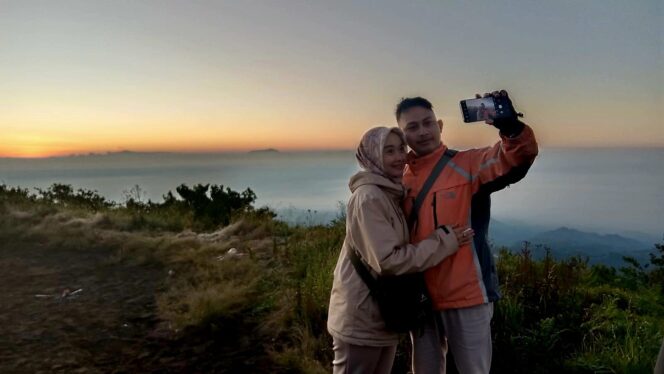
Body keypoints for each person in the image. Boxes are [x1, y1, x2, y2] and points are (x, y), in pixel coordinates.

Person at [396, 90, 539, 373]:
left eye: (428, 123)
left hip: (467, 297)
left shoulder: (467, 165)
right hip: (420, 298)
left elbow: (517, 156)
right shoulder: (401, 179)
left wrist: (510, 126)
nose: (422, 132)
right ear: (403, 136)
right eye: (412, 127)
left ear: (439, 126)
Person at [327, 126, 474, 374]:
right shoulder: (369, 197)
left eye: (401, 149)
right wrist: (443, 242)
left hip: (381, 315)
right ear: (372, 156)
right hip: (361, 317)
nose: (399, 157)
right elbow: (389, 260)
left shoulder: (389, 194)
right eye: (389, 151)